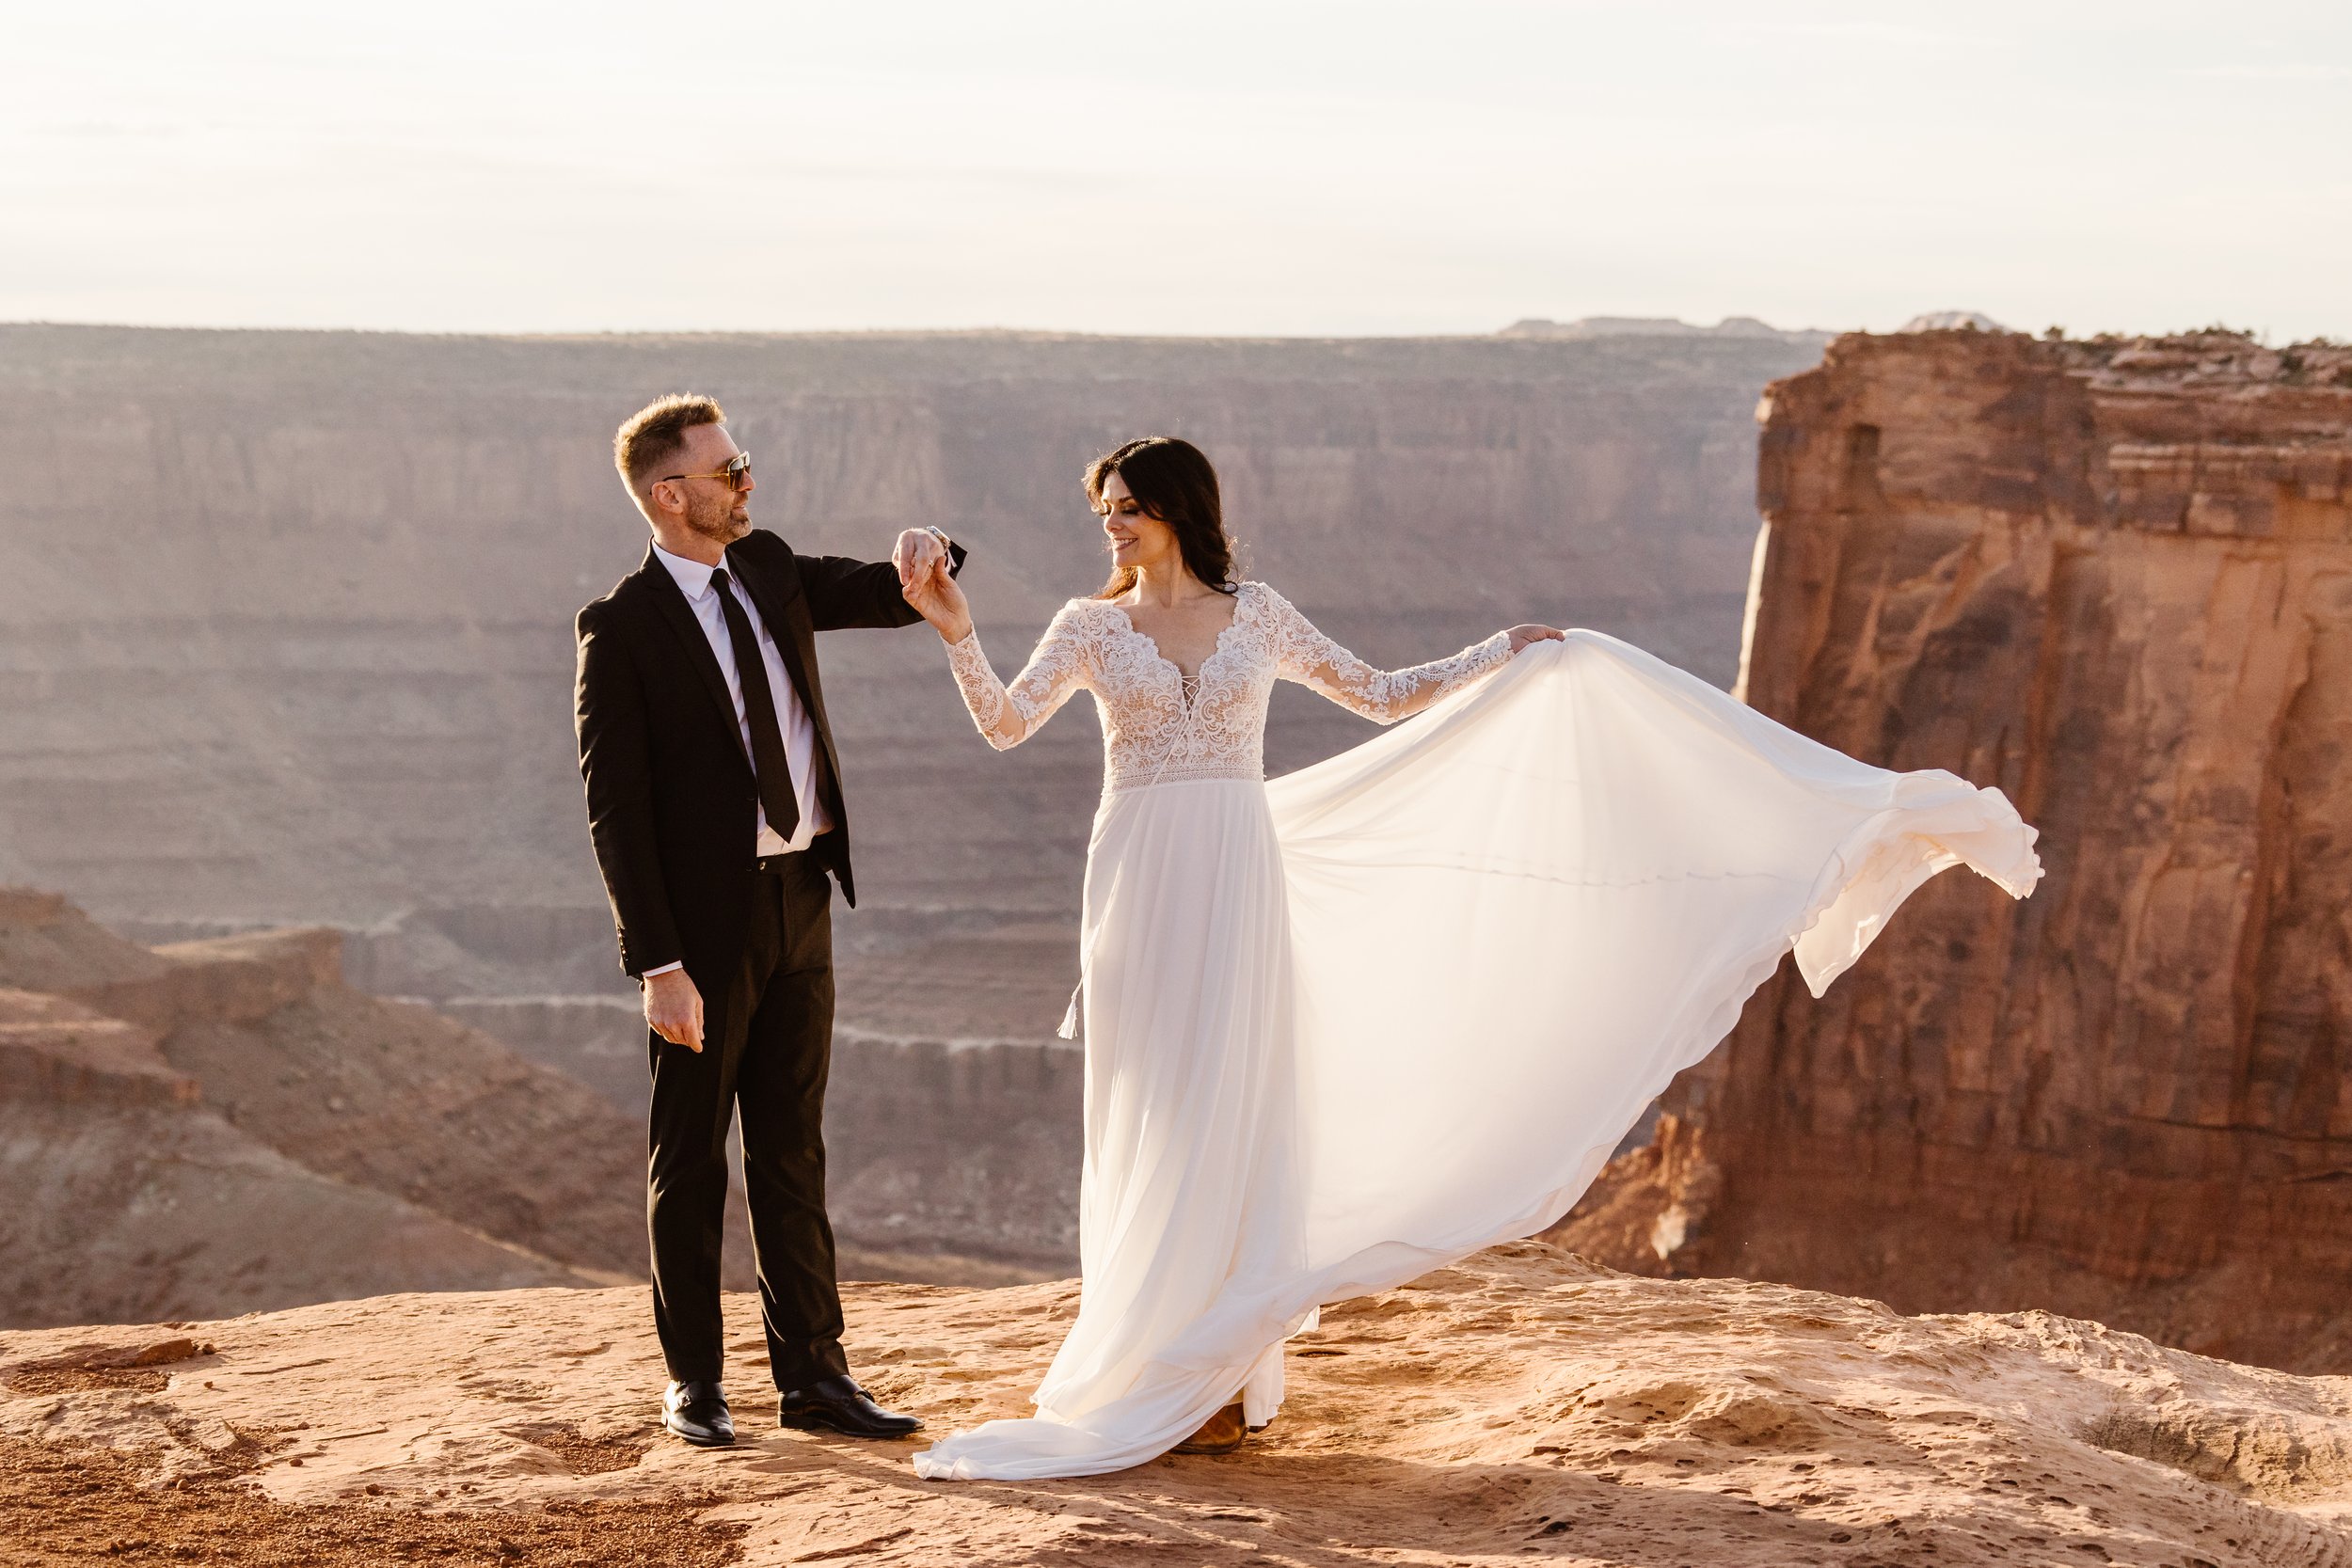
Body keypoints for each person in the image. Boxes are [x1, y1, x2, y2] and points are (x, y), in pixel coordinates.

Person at [896, 436, 2042, 1481]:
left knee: (1234, 1106)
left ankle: (1219, 1374)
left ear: (1183, 510)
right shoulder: (1089, 625)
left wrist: (1505, 653)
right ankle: (1149, 1352)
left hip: (1239, 873)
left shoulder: (1259, 616)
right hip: (1139, 877)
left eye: (1132, 506)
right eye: (1103, 508)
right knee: (1152, 1105)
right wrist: (956, 631)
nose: (1114, 524)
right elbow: (1007, 722)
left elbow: (1381, 696)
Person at [574, 393, 961, 1449]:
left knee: (792, 1150)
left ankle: (816, 1378)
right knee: (691, 1158)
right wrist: (657, 963)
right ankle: (695, 1383)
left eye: (742, 464)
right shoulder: (623, 626)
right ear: (670, 492)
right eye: (729, 467)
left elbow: (890, 593)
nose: (747, 481)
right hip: (701, 933)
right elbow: (616, 810)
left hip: (800, 902)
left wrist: (932, 549)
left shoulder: (769, 566)